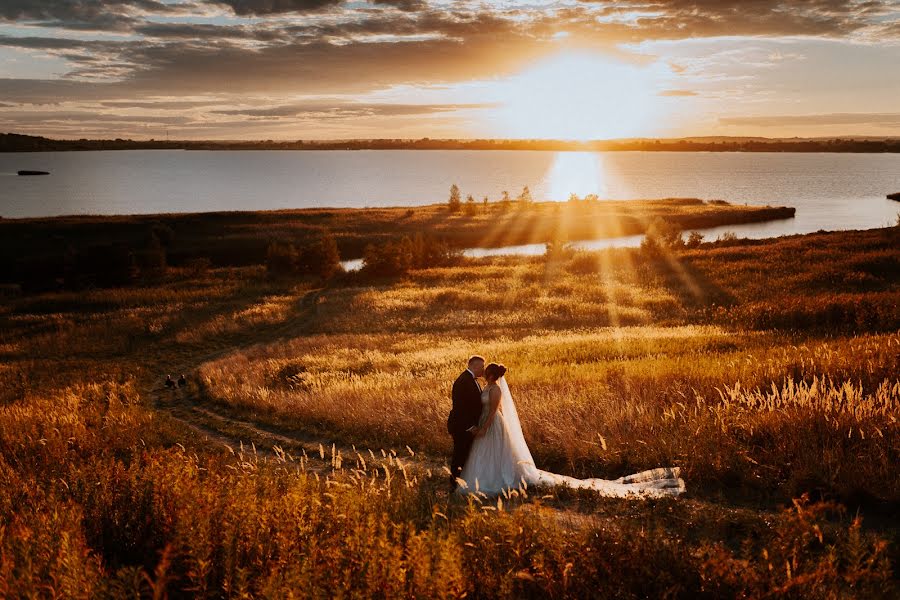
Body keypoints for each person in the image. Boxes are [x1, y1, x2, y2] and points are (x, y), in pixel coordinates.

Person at [457, 363, 686, 498]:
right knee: (486, 457)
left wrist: (483, 428)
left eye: (486, 372)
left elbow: (496, 412)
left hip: (494, 426)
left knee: (499, 456)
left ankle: (500, 482)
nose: (484, 375)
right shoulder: (486, 387)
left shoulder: (495, 391)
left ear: (490, 375)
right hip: (485, 426)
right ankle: (484, 481)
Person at [446, 355, 485, 490]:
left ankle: (459, 482)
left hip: (465, 425)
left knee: (464, 454)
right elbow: (461, 408)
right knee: (459, 455)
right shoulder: (463, 381)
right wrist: (470, 426)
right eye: (482, 367)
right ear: (474, 366)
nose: (483, 370)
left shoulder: (472, 380)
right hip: (461, 426)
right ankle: (454, 484)